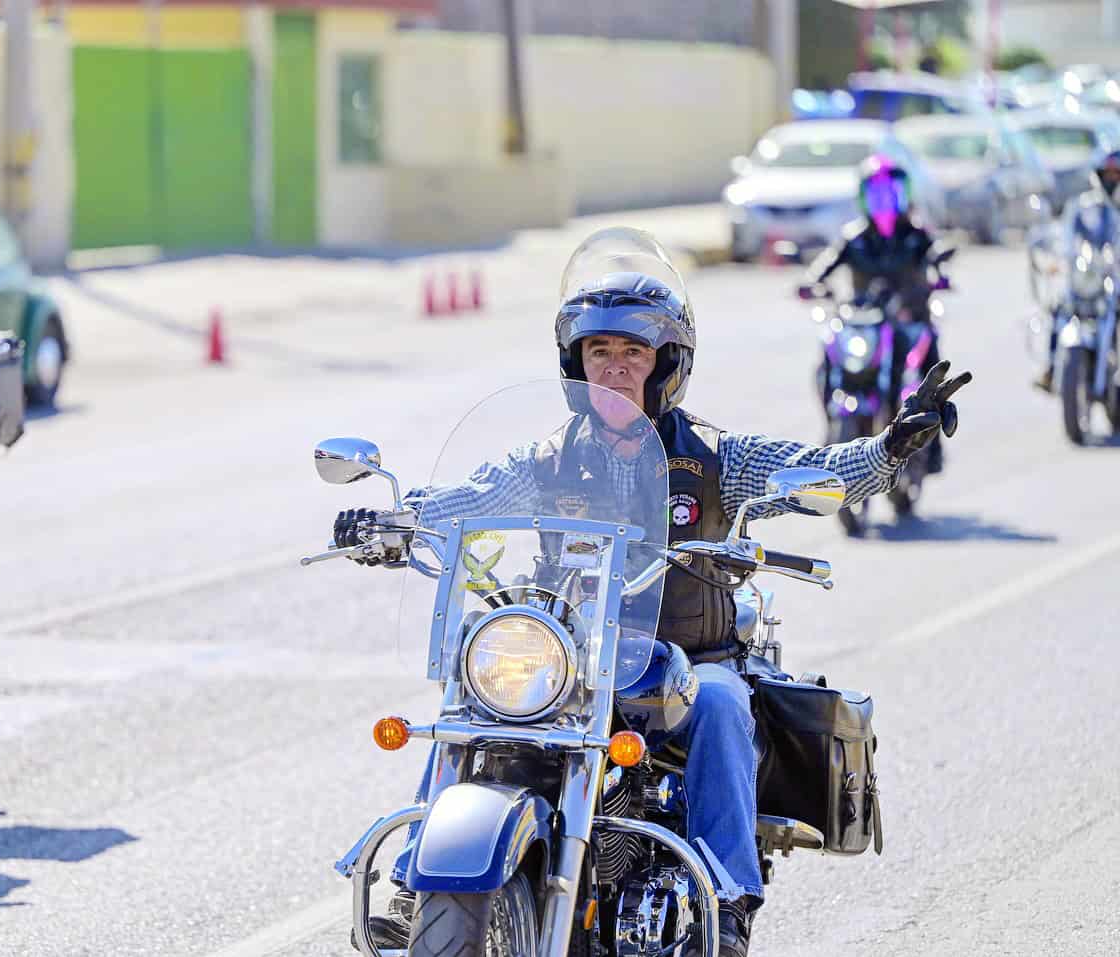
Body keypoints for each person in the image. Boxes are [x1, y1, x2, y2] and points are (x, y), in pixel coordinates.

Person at [334, 229, 970, 957]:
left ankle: (728, 900)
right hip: (574, 663)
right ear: (574, 362)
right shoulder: (547, 458)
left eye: (632, 353)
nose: (612, 369)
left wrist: (887, 449)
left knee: (728, 702)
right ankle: (420, 882)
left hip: (683, 664)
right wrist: (394, 517)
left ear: (666, 365)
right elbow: (469, 497)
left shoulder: (713, 457)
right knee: (475, 697)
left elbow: (813, 470)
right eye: (598, 352)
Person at [806, 155, 953, 472]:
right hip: (863, 323)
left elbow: (936, 254)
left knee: (934, 373)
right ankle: (832, 425)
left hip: (909, 320)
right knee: (827, 359)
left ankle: (935, 446)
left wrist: (939, 273)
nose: (884, 202)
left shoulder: (916, 234)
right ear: (863, 198)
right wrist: (811, 283)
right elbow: (825, 264)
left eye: (891, 194)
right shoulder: (853, 237)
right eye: (876, 195)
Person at [1033, 146, 1120, 391]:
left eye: (1117, 175)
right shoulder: (1083, 207)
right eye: (1108, 174)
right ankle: (1050, 367)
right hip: (1093, 279)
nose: (1112, 180)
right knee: (1061, 309)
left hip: (1116, 278)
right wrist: (1058, 259)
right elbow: (1066, 239)